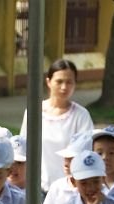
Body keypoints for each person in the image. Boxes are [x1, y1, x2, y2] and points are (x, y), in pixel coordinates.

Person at [20, 59, 94, 191]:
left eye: (69, 82)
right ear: (49, 82)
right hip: (37, 188)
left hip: (70, 188)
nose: (64, 87)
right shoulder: (34, 112)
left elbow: (86, 152)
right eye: (59, 81)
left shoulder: (81, 115)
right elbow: (23, 149)